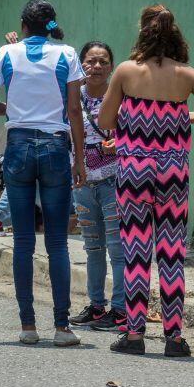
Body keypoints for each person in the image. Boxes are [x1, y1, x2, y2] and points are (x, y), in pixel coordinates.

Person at [99, 4, 194, 357]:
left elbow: (106, 118)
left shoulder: (126, 71)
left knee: (136, 253)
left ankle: (134, 335)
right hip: (173, 172)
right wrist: (184, 115)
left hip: (133, 172)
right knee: (172, 255)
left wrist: (135, 119)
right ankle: (174, 338)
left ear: (143, 31)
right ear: (175, 34)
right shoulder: (186, 75)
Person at [0, 0, 85, 347]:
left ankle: (27, 325)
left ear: (23, 26)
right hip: (56, 147)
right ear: (51, 26)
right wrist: (80, 159)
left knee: (22, 242)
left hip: (18, 146)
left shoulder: (4, 54)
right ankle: (62, 327)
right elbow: (74, 109)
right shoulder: (68, 54)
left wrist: (13, 111)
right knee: (57, 243)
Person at [68, 41, 126, 332]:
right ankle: (95, 306)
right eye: (91, 61)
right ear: (81, 65)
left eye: (104, 61)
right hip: (82, 182)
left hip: (114, 180)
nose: (97, 67)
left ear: (112, 67)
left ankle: (120, 310)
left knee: (117, 249)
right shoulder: (72, 95)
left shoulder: (120, 96)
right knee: (92, 248)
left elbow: (135, 131)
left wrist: (120, 143)